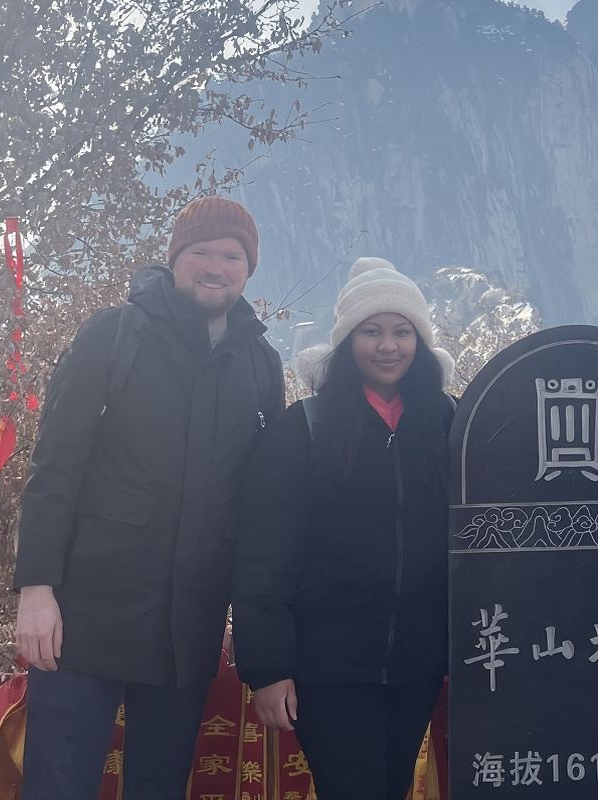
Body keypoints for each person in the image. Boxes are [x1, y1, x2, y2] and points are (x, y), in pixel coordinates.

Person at [12, 196, 285, 799]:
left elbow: (264, 511)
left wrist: (258, 627)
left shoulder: (261, 364)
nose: (216, 266)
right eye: (201, 252)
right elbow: (55, 467)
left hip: (189, 627)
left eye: (232, 256)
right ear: (175, 258)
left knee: (160, 786)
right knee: (58, 783)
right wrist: (36, 590)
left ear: (249, 268)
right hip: (83, 617)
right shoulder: (113, 335)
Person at [232, 257, 457, 800]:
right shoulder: (304, 427)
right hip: (327, 665)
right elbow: (264, 553)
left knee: (392, 785)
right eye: (371, 332)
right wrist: (266, 667)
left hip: (417, 662)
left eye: (402, 332)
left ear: (420, 343)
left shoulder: (448, 423)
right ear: (347, 343)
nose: (388, 346)